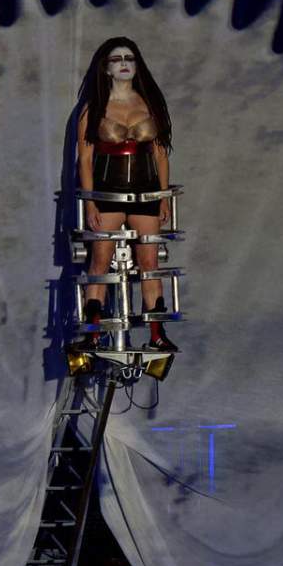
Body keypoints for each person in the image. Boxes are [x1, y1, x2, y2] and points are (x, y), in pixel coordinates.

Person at [75, 37, 178, 353]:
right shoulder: (93, 108)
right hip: (107, 193)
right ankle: (93, 332)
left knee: (149, 262)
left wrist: (163, 196)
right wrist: (90, 201)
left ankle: (157, 333)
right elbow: (85, 159)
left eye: (129, 58)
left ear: (137, 64)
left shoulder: (150, 104)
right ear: (106, 68)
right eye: (116, 58)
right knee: (100, 261)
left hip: (146, 192)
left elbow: (161, 155)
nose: (123, 63)